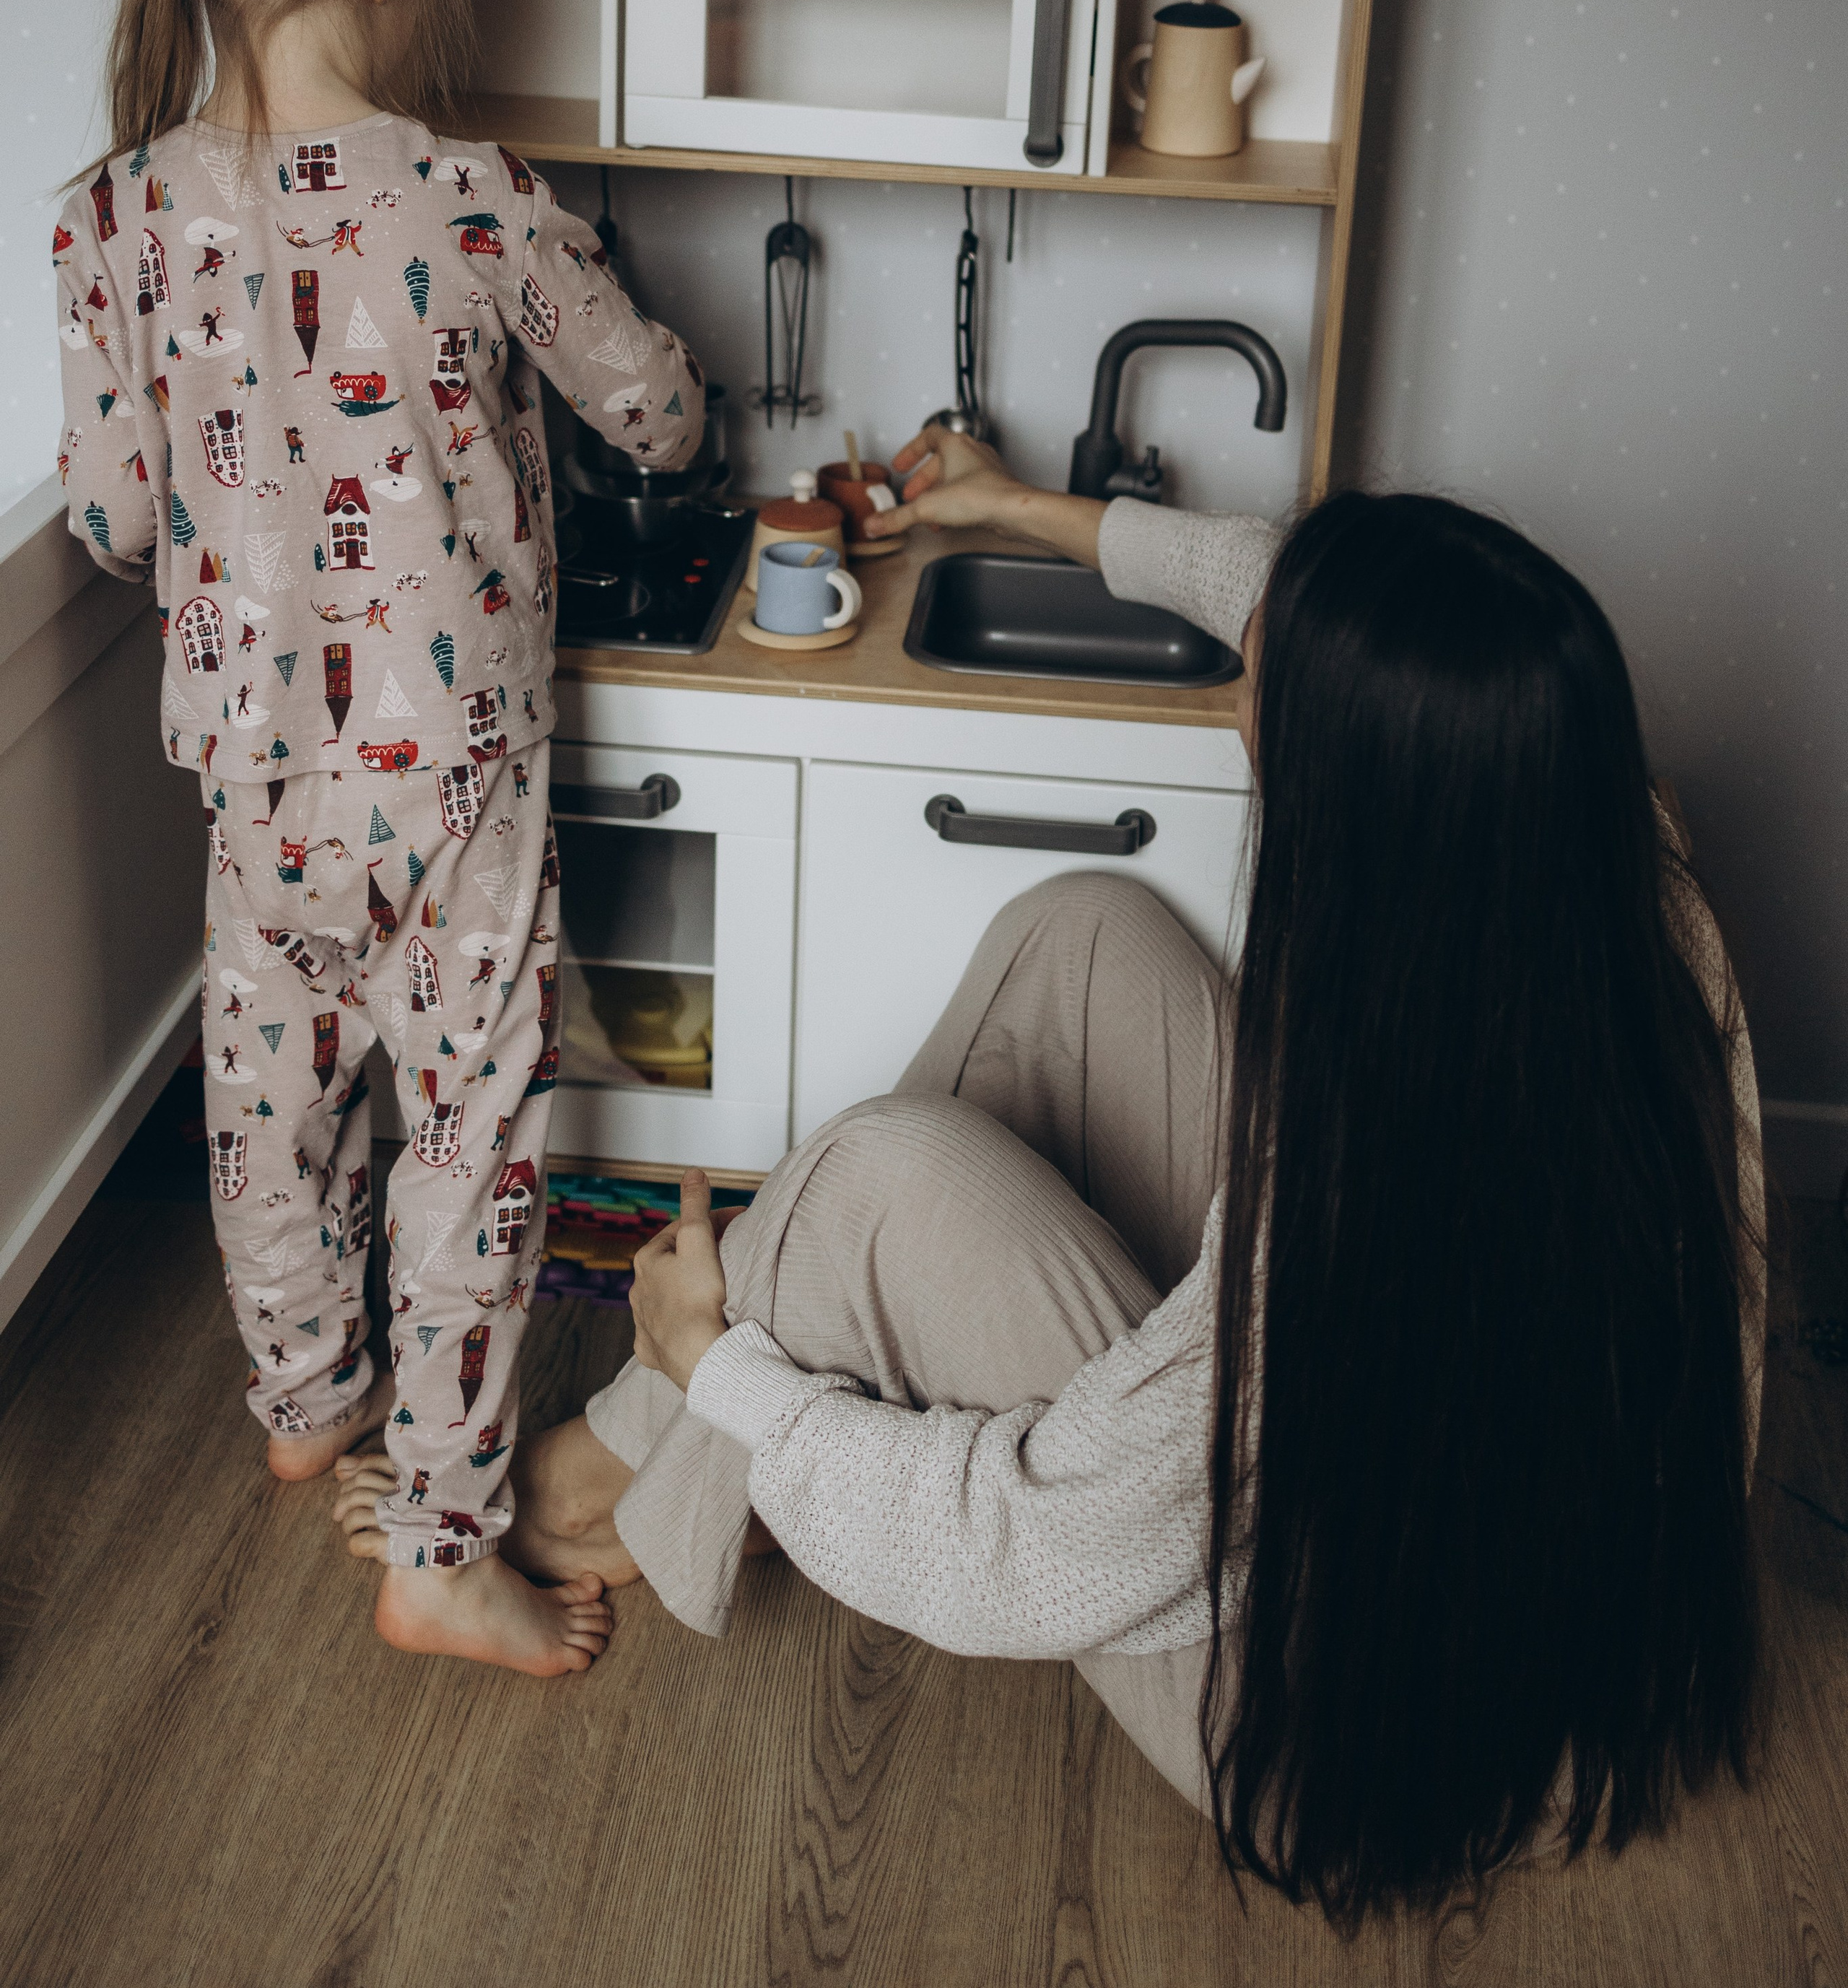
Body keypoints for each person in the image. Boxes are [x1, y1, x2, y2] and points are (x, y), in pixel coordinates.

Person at [471, 424, 1766, 1909]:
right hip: (1493, 1605)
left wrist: (729, 1381)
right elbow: (1268, 582)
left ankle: (603, 1476)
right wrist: (1013, 507)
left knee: (877, 1179)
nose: (1235, 694)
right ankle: (656, 1472)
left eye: (1260, 684)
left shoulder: (1368, 1199)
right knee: (1083, 932)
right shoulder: (1605, 876)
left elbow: (1041, 1546)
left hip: (1359, 1740)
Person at [56, 0, 707, 1678]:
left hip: (255, 773)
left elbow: (110, 521)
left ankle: (306, 1407)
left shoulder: (111, 225)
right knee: (465, 1126)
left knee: (265, 1092)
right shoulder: (474, 196)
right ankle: (434, 1538)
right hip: (460, 774)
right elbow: (663, 419)